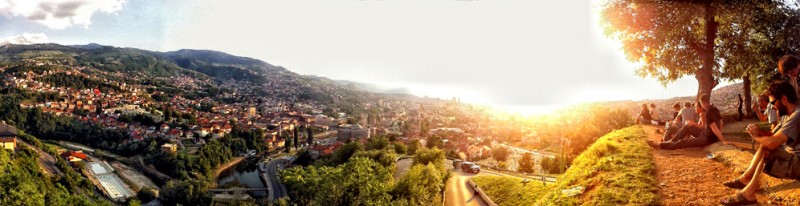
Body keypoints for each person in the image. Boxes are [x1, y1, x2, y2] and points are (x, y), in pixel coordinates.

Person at [719, 82, 800, 205]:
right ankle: (746, 178)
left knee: (767, 149)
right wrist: (759, 132)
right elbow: (773, 134)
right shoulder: (787, 114)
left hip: (797, 162)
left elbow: (773, 143)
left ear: (784, 99)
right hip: (792, 158)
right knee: (764, 145)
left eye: (773, 103)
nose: (772, 107)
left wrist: (756, 137)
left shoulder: (797, 115)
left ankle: (749, 193)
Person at [648, 94, 731, 150]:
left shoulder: (708, 112)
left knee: (683, 142)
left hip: (706, 138)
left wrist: (723, 140)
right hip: (706, 135)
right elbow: (721, 123)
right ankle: (670, 141)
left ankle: (660, 145)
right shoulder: (715, 109)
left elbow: (714, 128)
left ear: (701, 102)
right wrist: (716, 138)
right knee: (687, 127)